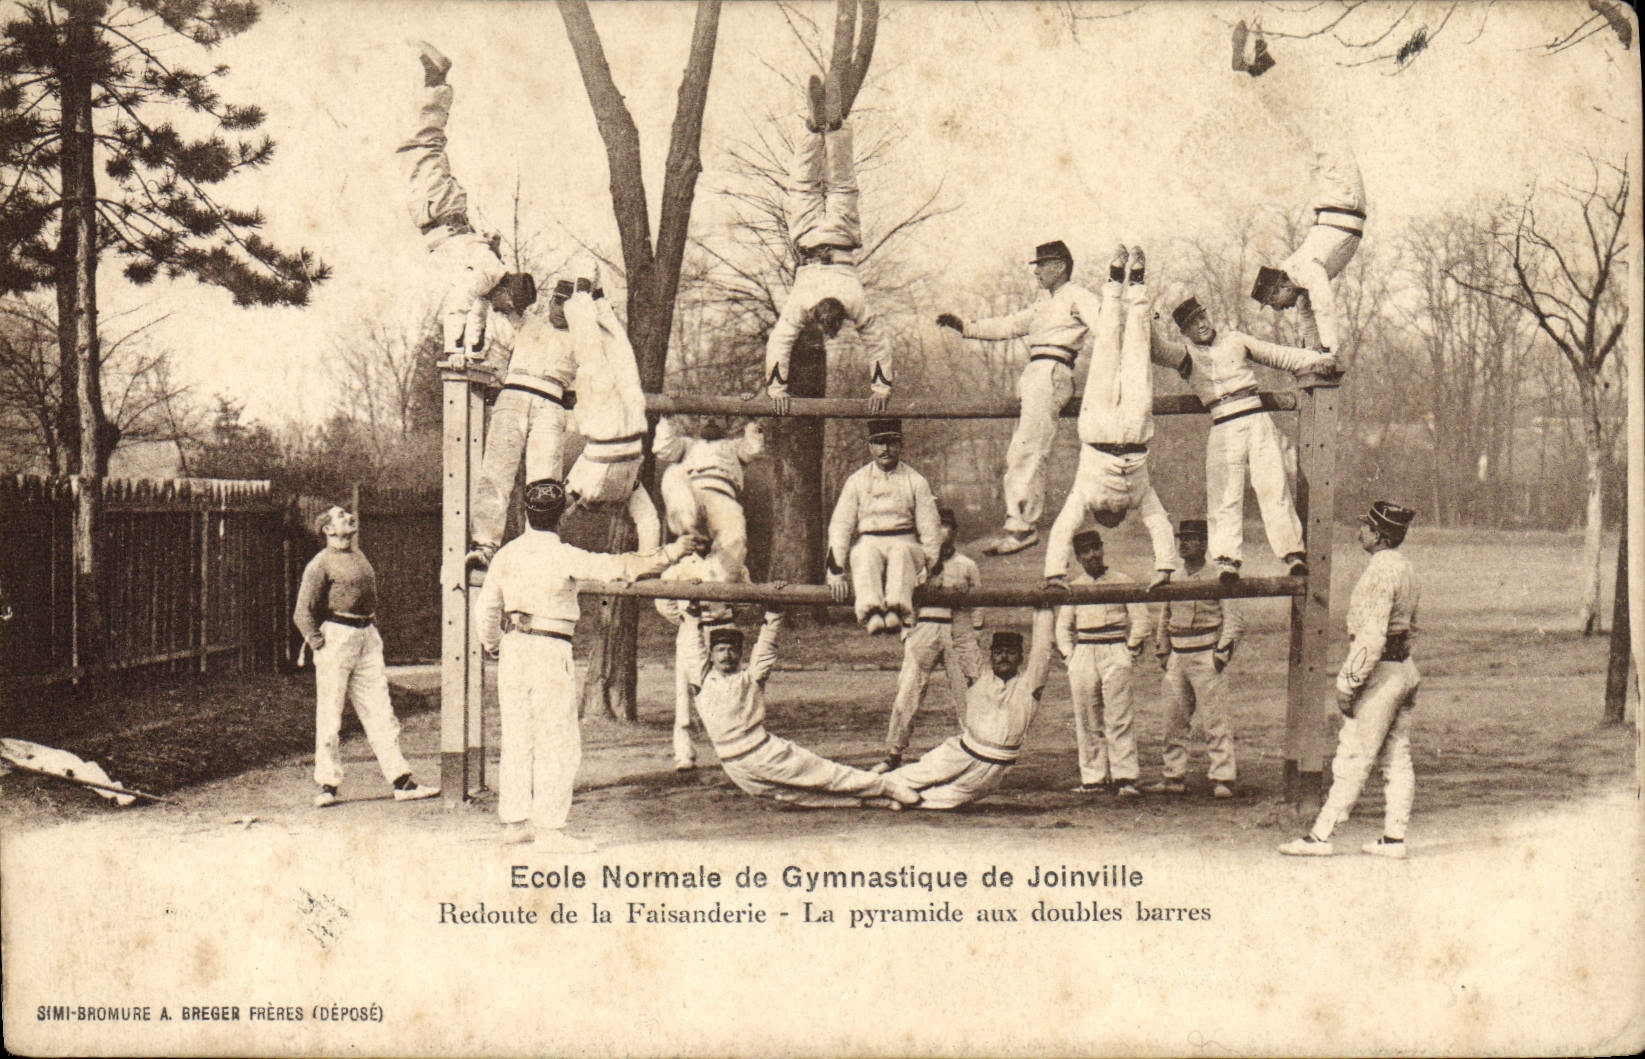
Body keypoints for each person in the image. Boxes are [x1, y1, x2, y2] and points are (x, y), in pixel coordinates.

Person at [475, 479, 701, 851]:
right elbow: (621, 567)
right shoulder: (565, 555)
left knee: (518, 736)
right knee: (557, 740)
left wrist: (496, 646)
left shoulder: (506, 555)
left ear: (526, 514)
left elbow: (486, 611)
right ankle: (549, 830)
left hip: (514, 645)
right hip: (549, 647)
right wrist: (672, 553)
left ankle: (515, 822)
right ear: (560, 515)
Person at [934, 240, 1105, 556]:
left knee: (1029, 450)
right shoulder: (1044, 302)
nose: (1037, 271)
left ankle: (1022, 527)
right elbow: (1010, 325)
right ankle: (1018, 522)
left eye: (1042, 264)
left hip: (1053, 368)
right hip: (1037, 372)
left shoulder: (1078, 296)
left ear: (1060, 266)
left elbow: (1106, 327)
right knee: (1020, 451)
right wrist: (966, 328)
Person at [1041, 246, 1187, 590]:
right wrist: (1165, 568)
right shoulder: (1128, 495)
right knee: (1117, 347)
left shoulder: (1104, 496)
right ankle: (1120, 282)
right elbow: (1159, 525)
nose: (1114, 512)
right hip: (1114, 429)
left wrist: (1054, 574)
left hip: (1115, 429)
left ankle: (1129, 284)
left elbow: (1159, 525)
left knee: (1125, 349)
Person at [1280, 501, 1420, 859]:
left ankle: (1320, 837)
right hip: (1404, 668)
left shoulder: (1379, 571)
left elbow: (1371, 638)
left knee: (1353, 754)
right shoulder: (1406, 568)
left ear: (1380, 535)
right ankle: (1394, 838)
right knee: (1397, 756)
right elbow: (1412, 628)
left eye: (1366, 527)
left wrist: (1348, 683)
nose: (1360, 532)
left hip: (1380, 673)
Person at [1167, 296, 1340, 580]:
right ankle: (1227, 561)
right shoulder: (1184, 354)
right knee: (1224, 495)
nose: (1200, 325)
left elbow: (1279, 355)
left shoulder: (1235, 340)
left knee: (1273, 486)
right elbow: (1155, 350)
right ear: (1183, 332)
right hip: (1222, 424)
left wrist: (1319, 360)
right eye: (1191, 323)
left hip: (1256, 418)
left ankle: (1292, 554)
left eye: (1201, 317)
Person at [682, 609, 921, 809]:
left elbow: (765, 649)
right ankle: (864, 802)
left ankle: (885, 786)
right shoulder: (703, 681)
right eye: (721, 650)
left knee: (824, 776)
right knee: (793, 797)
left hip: (763, 751)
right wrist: (692, 617)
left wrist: (773, 615)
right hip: (732, 763)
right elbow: (694, 652)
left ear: (740, 653)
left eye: (732, 649)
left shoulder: (750, 677)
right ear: (711, 655)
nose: (727, 655)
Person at [398, 42, 535, 370]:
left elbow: (477, 310)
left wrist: (474, 350)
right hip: (440, 211)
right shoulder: (488, 273)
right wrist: (453, 350)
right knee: (424, 144)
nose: (501, 309)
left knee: (422, 147)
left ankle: (435, 83)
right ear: (507, 292)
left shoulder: (490, 278)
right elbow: (459, 301)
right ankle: (437, 80)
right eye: (506, 306)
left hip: (443, 215)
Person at [1233, 22, 1366, 356]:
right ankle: (1258, 65)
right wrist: (1311, 352)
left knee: (1302, 118)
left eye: (1274, 302)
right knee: (1298, 121)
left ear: (1280, 285)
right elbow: (1309, 315)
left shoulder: (1303, 271)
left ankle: (1258, 65)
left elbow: (1323, 305)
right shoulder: (1303, 280)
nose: (1280, 309)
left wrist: (1330, 350)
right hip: (1337, 199)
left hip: (1340, 195)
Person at [293, 505, 438, 808]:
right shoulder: (319, 564)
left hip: (367, 637)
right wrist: (319, 643)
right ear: (328, 530)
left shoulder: (359, 556)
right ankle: (328, 785)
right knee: (330, 713)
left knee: (380, 709)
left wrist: (368, 630)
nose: (349, 518)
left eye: (348, 514)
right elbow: (301, 613)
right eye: (341, 516)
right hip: (338, 638)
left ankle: (402, 781)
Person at [765, 75, 891, 417]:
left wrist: (778, 388)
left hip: (838, 240)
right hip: (811, 242)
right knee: (804, 186)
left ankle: (831, 128)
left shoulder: (852, 301)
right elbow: (877, 342)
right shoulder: (807, 302)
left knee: (840, 184)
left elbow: (781, 341)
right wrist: (879, 387)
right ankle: (814, 128)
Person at [883, 609, 1056, 810]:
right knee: (894, 781)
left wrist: (1044, 610)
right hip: (959, 752)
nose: (1004, 657)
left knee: (931, 801)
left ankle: (877, 799)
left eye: (1010, 653)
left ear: (1020, 658)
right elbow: (964, 640)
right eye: (998, 653)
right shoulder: (979, 676)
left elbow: (1043, 651)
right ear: (991, 656)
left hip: (995, 765)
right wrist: (958, 605)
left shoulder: (1029, 685)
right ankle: (843, 788)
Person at [467, 276, 580, 568]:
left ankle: (539, 549)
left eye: (568, 305)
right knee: (497, 469)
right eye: (557, 301)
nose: (560, 309)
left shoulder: (583, 337)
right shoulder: (530, 323)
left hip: (551, 402)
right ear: (551, 300)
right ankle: (485, 543)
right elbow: (503, 303)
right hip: (514, 396)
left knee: (544, 479)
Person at [873, 506, 984, 773]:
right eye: (935, 526)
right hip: (924, 627)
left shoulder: (967, 565)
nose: (941, 531)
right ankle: (894, 753)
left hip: (957, 630)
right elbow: (901, 593)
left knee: (968, 693)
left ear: (954, 531)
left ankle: (978, 751)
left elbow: (978, 604)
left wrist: (975, 633)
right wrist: (907, 631)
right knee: (909, 691)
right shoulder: (916, 562)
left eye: (946, 525)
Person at [1144, 519, 1246, 799]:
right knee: (1173, 721)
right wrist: (1164, 652)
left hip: (1206, 654)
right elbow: (1165, 616)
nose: (1184, 544)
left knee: (1215, 720)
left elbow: (1234, 620)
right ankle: (1173, 776)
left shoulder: (1219, 575)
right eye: (1182, 538)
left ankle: (1223, 778)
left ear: (1204, 544)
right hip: (1178, 654)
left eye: (1191, 538)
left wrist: (1220, 655)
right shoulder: (1172, 576)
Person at [561, 273, 662, 552]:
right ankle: (596, 301)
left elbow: (555, 510)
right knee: (620, 360)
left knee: (597, 360)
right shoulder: (629, 491)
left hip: (609, 426)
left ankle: (584, 296)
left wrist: (571, 509)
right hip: (627, 423)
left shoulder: (583, 488)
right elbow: (649, 521)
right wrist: (648, 557)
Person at [1054, 530, 1149, 797]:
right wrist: (1069, 656)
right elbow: (1062, 627)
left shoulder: (1122, 581)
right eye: (1086, 551)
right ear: (1078, 557)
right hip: (1084, 650)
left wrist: (1129, 651)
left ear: (1102, 549)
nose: (1092, 555)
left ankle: (1125, 777)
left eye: (1096, 548)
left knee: (1119, 716)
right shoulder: (1075, 586)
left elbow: (1140, 620)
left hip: (1115, 647)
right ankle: (1093, 778)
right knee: (1087, 717)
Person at [826, 418, 943, 634]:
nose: (885, 449)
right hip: (870, 540)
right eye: (879, 443)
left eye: (891, 442)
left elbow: (930, 528)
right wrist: (836, 572)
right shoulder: (857, 481)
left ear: (900, 445)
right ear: (870, 446)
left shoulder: (916, 481)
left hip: (905, 542)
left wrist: (934, 570)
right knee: (863, 553)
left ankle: (896, 610)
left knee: (901, 552)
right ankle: (871, 613)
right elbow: (840, 526)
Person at [654, 538, 740, 772]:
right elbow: (663, 602)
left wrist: (730, 613)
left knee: (727, 688)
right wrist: (684, 620)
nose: (700, 539)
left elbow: (746, 589)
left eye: (706, 532)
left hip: (723, 628)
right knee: (686, 691)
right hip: (692, 627)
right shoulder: (678, 567)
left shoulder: (729, 562)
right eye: (695, 534)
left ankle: (732, 749)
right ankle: (685, 753)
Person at [654, 415, 765, 579]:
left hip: (722, 495)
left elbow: (753, 449)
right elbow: (663, 448)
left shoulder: (734, 446)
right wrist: (666, 417)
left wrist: (752, 421)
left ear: (726, 424)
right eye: (706, 418)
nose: (711, 421)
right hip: (693, 493)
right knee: (673, 473)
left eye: (718, 417)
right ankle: (688, 529)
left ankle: (718, 588)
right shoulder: (688, 444)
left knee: (734, 536)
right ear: (699, 422)